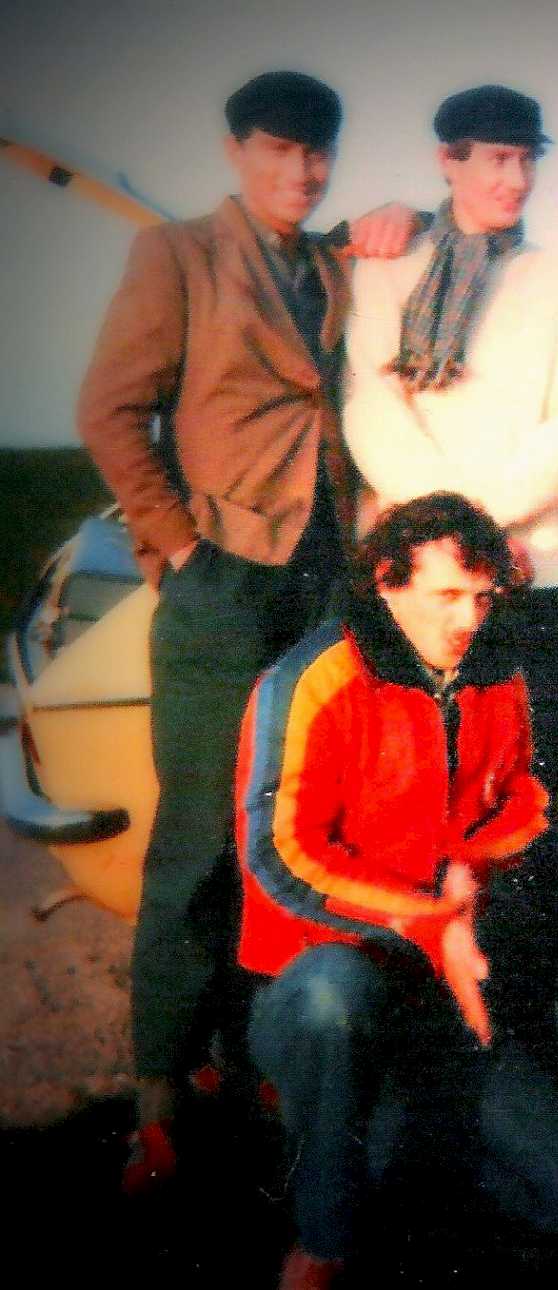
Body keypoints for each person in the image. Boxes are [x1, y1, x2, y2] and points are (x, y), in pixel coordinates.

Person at [236, 493, 558, 1288]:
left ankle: (397, 1138)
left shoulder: (496, 671)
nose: (468, 620)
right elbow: (278, 857)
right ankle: (322, 1236)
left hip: (441, 998)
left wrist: (468, 868)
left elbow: (522, 801)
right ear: (388, 579)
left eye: (482, 597)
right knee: (332, 1003)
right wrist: (430, 923)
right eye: (447, 595)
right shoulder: (311, 677)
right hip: (326, 976)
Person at [77, 70, 356, 1191]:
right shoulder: (178, 254)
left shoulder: (334, 263)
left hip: (322, 586)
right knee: (197, 842)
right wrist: (180, 548)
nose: (301, 171)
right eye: (279, 149)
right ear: (238, 151)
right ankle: (158, 1097)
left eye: (317, 152)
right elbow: (109, 409)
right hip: (224, 582)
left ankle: (260, 1060)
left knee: (291, 834)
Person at [341, 83, 558, 796]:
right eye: (497, 159)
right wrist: (451, 536)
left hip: (539, 570)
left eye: (527, 160)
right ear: (448, 161)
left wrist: (479, 531)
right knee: (415, 780)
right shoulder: (388, 270)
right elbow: (372, 408)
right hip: (417, 577)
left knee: (529, 782)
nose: (515, 180)